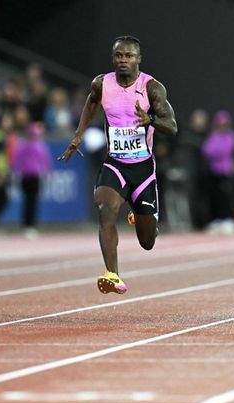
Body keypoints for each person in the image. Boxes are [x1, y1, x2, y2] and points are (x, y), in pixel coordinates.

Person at [59, 36, 177, 295]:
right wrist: (78, 135)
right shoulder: (102, 84)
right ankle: (112, 274)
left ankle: (140, 214)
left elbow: (172, 126)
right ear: (113, 58)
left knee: (147, 241)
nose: (123, 60)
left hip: (143, 170)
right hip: (115, 164)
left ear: (138, 59)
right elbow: (91, 102)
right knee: (105, 209)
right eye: (119, 56)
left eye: (129, 56)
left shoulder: (152, 88)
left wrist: (151, 119)